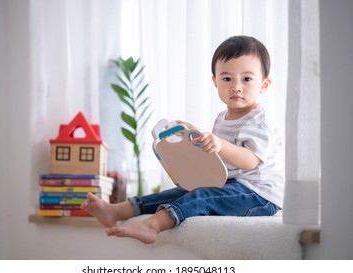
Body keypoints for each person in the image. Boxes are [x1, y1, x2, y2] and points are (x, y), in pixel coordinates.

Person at [80, 35, 284, 244]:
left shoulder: (259, 119)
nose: (236, 86)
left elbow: (250, 160)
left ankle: (153, 225)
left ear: (264, 84)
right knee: (181, 191)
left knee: (201, 198)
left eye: (247, 79)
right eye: (227, 78)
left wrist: (220, 145)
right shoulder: (223, 117)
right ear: (215, 82)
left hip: (258, 195)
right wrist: (191, 134)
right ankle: (119, 210)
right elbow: (217, 160)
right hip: (230, 185)